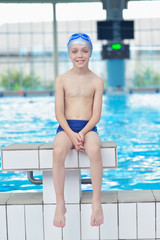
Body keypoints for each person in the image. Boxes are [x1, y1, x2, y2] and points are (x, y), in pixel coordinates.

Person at [52, 33, 104, 228]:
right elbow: (58, 113)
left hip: (89, 128)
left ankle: (96, 202)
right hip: (66, 128)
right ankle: (60, 202)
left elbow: (96, 114)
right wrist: (72, 135)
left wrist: (82, 133)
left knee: (94, 150)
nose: (80, 55)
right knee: (58, 152)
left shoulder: (97, 81)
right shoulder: (62, 80)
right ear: (69, 54)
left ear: (90, 53)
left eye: (84, 51)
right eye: (75, 51)